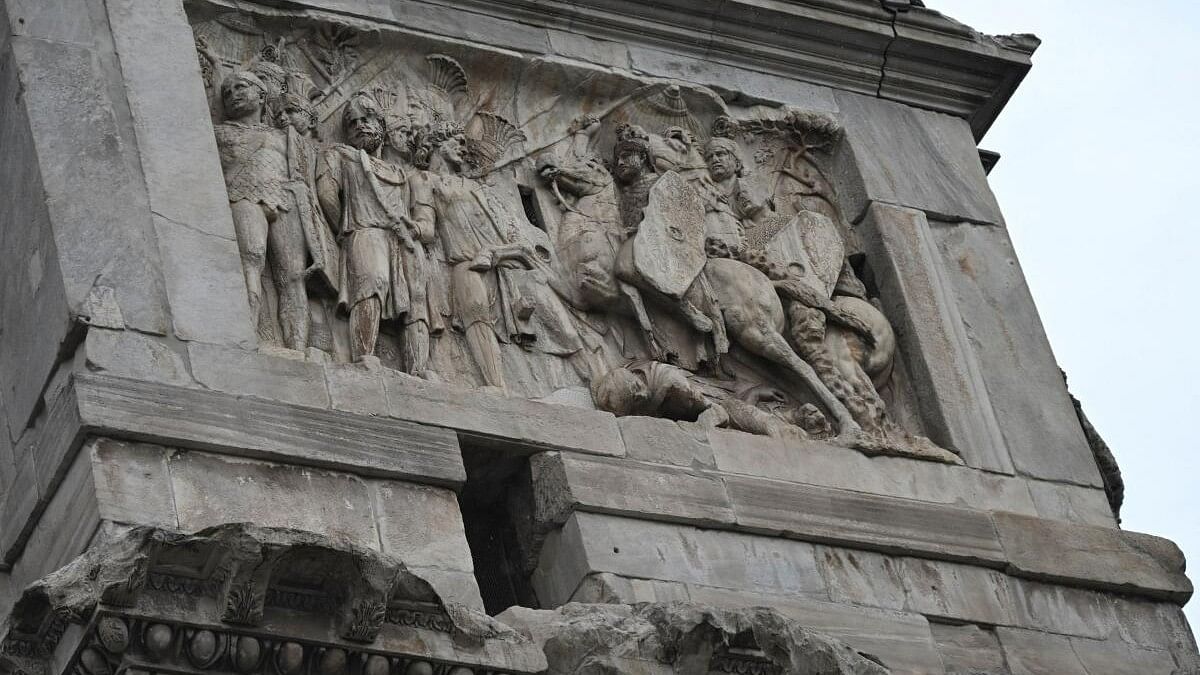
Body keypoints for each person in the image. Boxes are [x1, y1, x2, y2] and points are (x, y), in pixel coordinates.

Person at [316, 91, 442, 370]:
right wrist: (348, 231)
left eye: (367, 119)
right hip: (365, 230)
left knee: (417, 297)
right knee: (373, 281)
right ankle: (364, 356)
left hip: (404, 239)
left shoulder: (402, 174)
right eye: (353, 123)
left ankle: (418, 369)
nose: (360, 125)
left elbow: (424, 222)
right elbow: (326, 195)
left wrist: (414, 229)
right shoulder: (340, 155)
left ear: (381, 125)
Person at [213, 70, 312, 349]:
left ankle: (297, 348)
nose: (234, 95)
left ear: (261, 95)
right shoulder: (220, 133)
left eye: (241, 87)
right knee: (251, 257)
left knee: (293, 275)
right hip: (243, 194)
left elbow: (302, 178)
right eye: (227, 93)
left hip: (285, 201)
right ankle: (249, 336)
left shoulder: (285, 137)